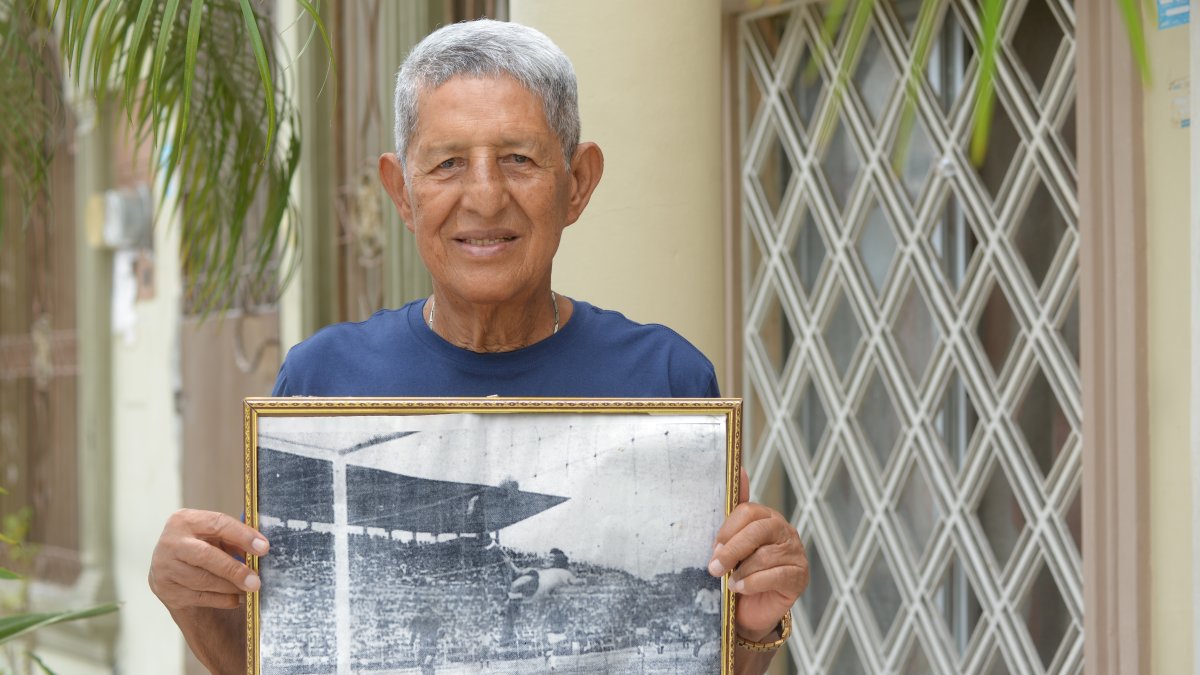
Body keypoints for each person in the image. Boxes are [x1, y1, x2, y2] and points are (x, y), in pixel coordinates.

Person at [148, 19, 808, 674]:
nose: (486, 197)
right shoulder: (323, 378)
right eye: (448, 163)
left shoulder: (666, 377)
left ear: (576, 183)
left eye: (519, 159)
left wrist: (754, 621)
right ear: (402, 191)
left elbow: (699, 661)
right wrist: (192, 598)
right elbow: (275, 660)